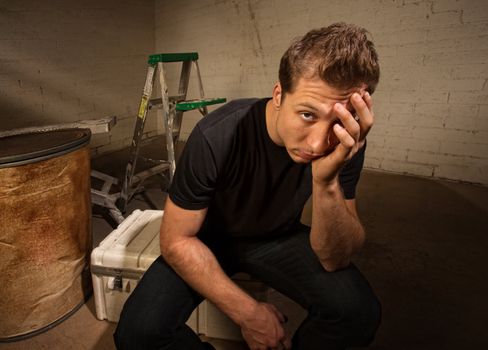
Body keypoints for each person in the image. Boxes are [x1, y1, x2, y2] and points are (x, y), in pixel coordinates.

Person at [114, 22, 381, 350]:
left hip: (277, 237)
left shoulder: (346, 142)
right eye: (308, 115)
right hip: (206, 238)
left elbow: (335, 258)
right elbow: (175, 240)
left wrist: (326, 182)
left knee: (357, 312)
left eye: (338, 120)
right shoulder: (217, 136)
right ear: (280, 95)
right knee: (139, 333)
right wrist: (248, 313)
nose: (316, 143)